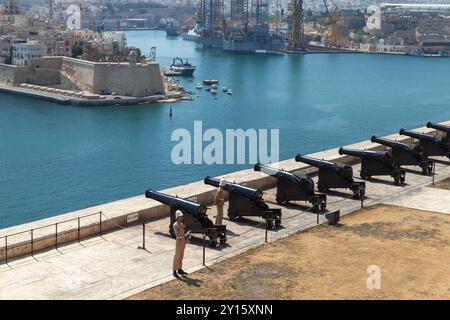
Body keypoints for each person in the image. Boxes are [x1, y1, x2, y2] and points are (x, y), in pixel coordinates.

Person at [172, 210, 190, 277]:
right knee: (177, 256)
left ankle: (179, 269)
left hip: (183, 241)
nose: (182, 217)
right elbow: (178, 235)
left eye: (182, 216)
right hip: (179, 241)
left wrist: (186, 235)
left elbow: (182, 234)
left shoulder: (181, 223)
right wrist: (182, 228)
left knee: (181, 255)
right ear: (177, 217)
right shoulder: (175, 225)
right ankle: (174, 270)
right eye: (180, 216)